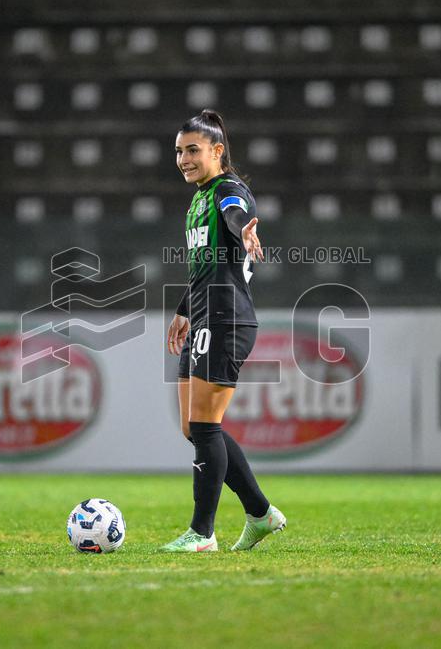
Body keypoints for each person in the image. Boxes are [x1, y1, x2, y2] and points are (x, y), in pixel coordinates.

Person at [160, 109, 286, 552]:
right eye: (178, 151)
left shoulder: (229, 190)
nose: (183, 159)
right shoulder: (198, 198)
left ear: (217, 151)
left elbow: (236, 215)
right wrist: (183, 308)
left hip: (226, 318)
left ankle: (202, 533)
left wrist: (244, 232)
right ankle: (260, 513)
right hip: (204, 315)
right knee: (193, 428)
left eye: (192, 150)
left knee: (205, 425)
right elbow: (205, 264)